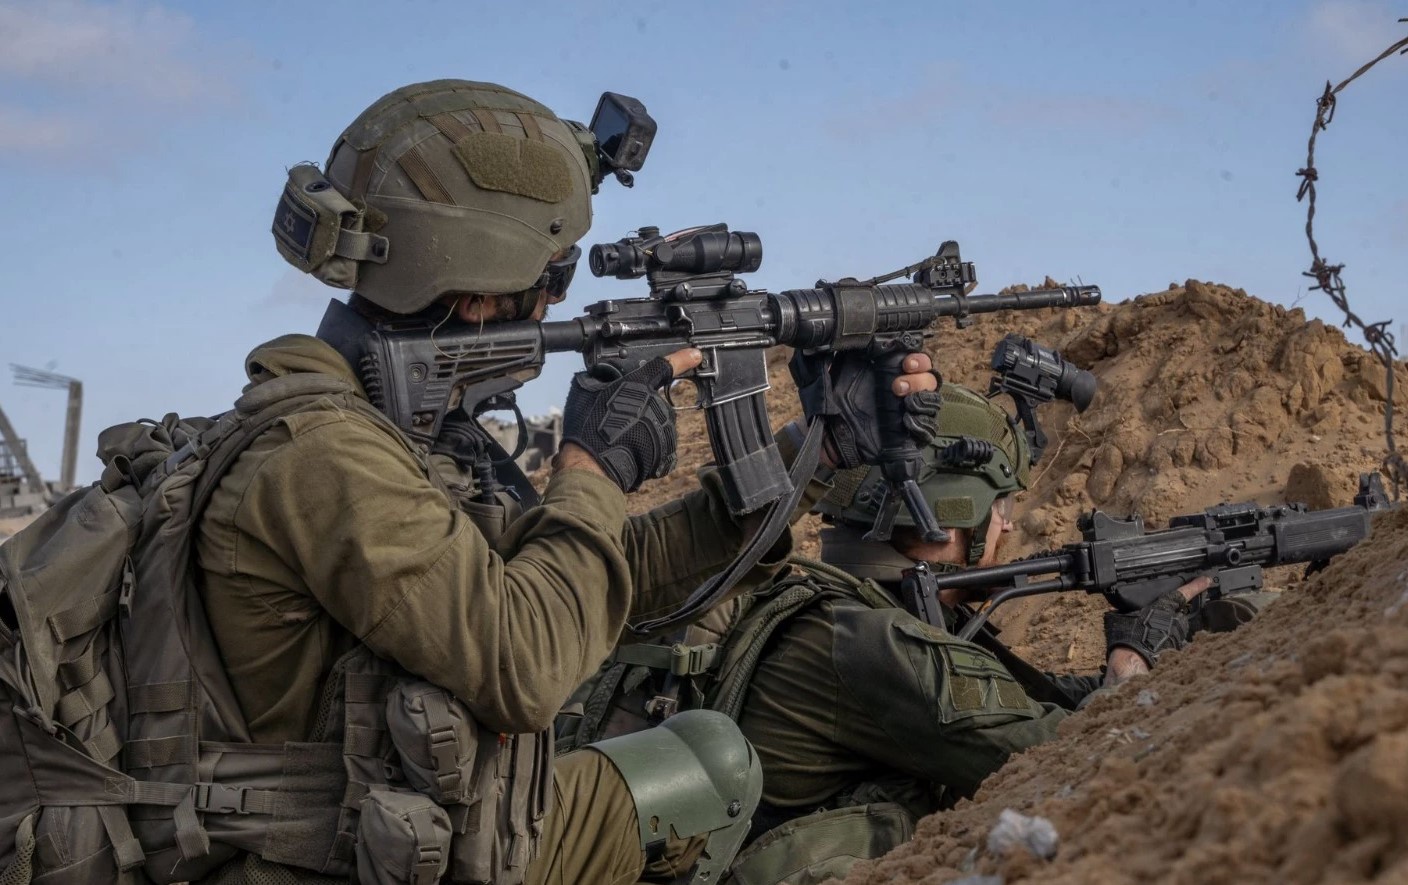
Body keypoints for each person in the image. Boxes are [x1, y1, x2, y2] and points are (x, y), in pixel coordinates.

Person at [0, 80, 941, 885]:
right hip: (311, 855)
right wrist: (590, 468)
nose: (556, 300)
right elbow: (529, 657)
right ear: (478, 289)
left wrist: (809, 453)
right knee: (709, 761)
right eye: (550, 274)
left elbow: (572, 576)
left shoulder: (373, 436)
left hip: (355, 830)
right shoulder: (326, 459)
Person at [565, 383, 1215, 885]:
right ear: (950, 517)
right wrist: (1134, 655)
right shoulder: (880, 644)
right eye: (1000, 507)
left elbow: (1010, 702)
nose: (1007, 528)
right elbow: (1084, 762)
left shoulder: (798, 593)